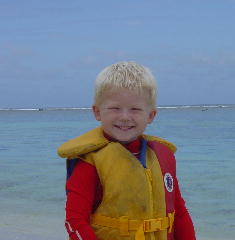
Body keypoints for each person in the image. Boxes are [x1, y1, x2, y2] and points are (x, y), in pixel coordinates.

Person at [57, 61, 196, 240]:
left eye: (135, 109)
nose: (124, 117)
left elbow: (180, 213)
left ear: (151, 115)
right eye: (115, 108)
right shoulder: (89, 161)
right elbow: (75, 221)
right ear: (97, 112)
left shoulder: (163, 157)